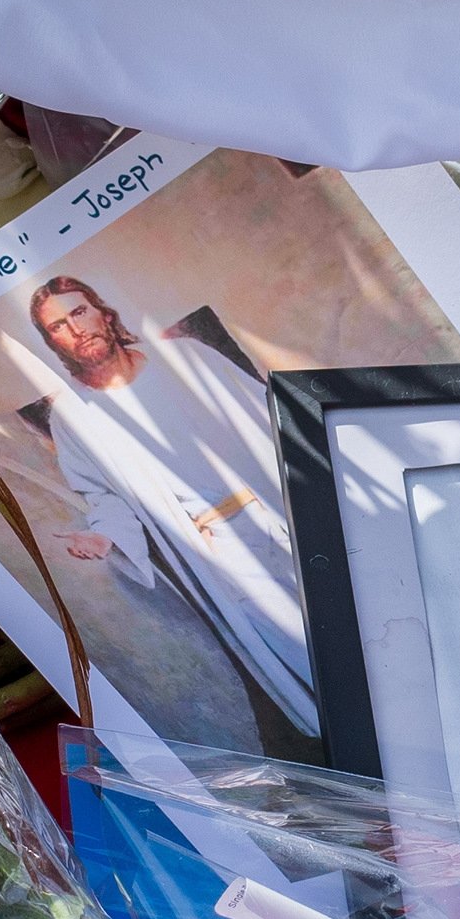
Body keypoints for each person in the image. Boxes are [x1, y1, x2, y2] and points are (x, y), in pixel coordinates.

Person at [30, 274, 320, 740]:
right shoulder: (72, 418)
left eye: (79, 312)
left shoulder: (186, 358)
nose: (76, 329)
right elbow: (103, 497)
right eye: (58, 326)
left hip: (289, 513)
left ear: (103, 312)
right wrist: (104, 536)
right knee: (306, 648)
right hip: (222, 551)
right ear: (52, 343)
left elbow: (264, 414)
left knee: (361, 616)